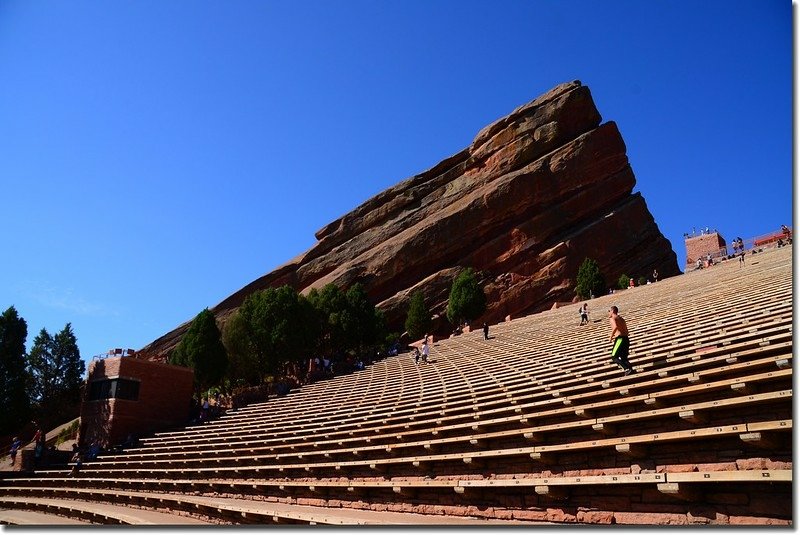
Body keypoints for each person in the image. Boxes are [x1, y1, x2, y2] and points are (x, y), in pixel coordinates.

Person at [608, 306, 634, 375]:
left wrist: (611, 337)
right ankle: (630, 369)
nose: (608, 313)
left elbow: (615, 327)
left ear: (612, 311)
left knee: (614, 356)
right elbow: (626, 330)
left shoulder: (612, 318)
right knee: (623, 357)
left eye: (609, 311)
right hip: (626, 339)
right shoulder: (622, 319)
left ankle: (626, 369)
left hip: (620, 338)